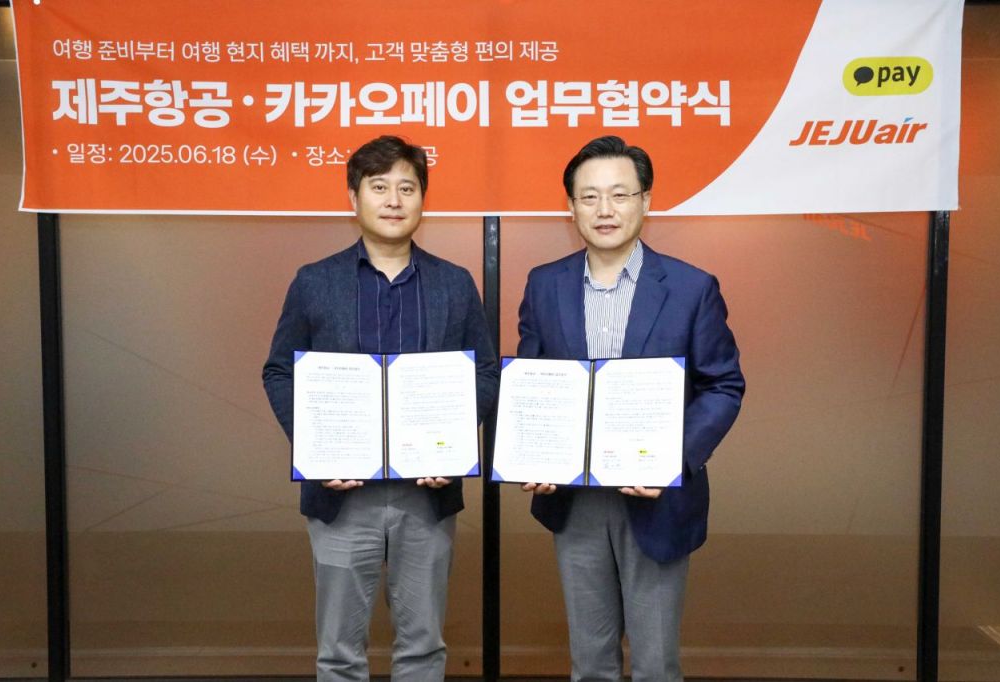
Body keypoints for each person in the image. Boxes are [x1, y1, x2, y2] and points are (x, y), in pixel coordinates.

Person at [262, 135, 498, 681]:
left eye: (407, 188)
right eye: (379, 187)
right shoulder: (314, 281)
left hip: (427, 495)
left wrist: (454, 443)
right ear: (354, 198)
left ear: (422, 200)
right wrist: (316, 451)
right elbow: (279, 372)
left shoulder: (455, 283)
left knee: (423, 647)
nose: (394, 200)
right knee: (340, 652)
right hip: (341, 498)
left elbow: (485, 372)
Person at [518, 135, 745, 681]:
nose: (605, 209)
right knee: (590, 661)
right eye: (589, 196)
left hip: (656, 499)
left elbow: (723, 384)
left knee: (655, 664)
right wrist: (532, 454)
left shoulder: (692, 287)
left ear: (646, 201)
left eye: (620, 194)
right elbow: (533, 382)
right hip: (574, 499)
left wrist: (671, 459)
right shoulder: (544, 284)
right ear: (571, 206)